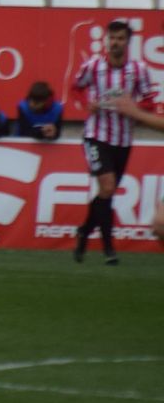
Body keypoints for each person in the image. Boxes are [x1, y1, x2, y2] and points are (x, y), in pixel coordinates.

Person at [72, 20, 157, 263]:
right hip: (96, 135)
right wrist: (87, 103)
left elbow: (150, 102)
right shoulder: (93, 66)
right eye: (112, 38)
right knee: (108, 187)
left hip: (123, 139)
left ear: (128, 42)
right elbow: (76, 88)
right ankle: (109, 249)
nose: (115, 43)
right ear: (106, 40)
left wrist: (133, 108)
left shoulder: (139, 70)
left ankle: (84, 232)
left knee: (107, 193)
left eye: (120, 38)